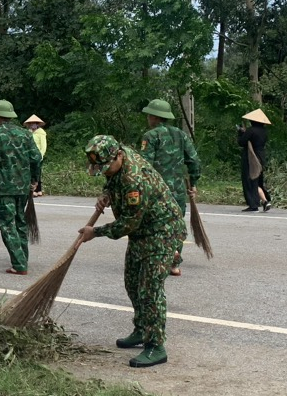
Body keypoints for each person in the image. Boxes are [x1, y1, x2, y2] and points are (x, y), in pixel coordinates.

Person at [77, 135, 185, 368]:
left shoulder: (134, 179)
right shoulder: (120, 154)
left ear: (118, 156)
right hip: (143, 232)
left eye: (106, 168)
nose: (104, 172)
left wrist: (94, 232)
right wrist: (107, 192)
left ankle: (155, 346)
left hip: (161, 231)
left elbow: (129, 223)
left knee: (149, 289)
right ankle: (141, 329)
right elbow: (113, 179)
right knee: (132, 282)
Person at [0, 100, 43, 275]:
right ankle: (23, 258)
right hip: (23, 188)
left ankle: (19, 264)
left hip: (4, 187)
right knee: (20, 222)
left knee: (7, 225)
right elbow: (36, 158)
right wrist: (35, 180)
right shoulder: (26, 134)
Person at [138, 99, 201, 275]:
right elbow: (194, 160)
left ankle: (157, 260)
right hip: (178, 191)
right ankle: (174, 263)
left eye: (149, 115)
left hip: (157, 192)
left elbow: (144, 166)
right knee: (176, 225)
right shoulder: (181, 134)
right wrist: (194, 183)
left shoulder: (150, 136)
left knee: (154, 225)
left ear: (153, 116)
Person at [237, 108, 272, 212]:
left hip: (251, 158)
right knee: (257, 181)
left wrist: (240, 133)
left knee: (250, 180)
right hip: (261, 157)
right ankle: (265, 201)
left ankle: (253, 204)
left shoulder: (251, 130)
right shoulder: (264, 132)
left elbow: (242, 142)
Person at [24, 114, 47, 196]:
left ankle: (38, 189)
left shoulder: (41, 133)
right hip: (29, 155)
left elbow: (43, 145)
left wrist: (41, 155)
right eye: (31, 124)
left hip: (38, 155)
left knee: (38, 172)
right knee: (30, 172)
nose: (32, 125)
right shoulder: (27, 133)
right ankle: (33, 190)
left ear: (37, 124)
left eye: (34, 123)